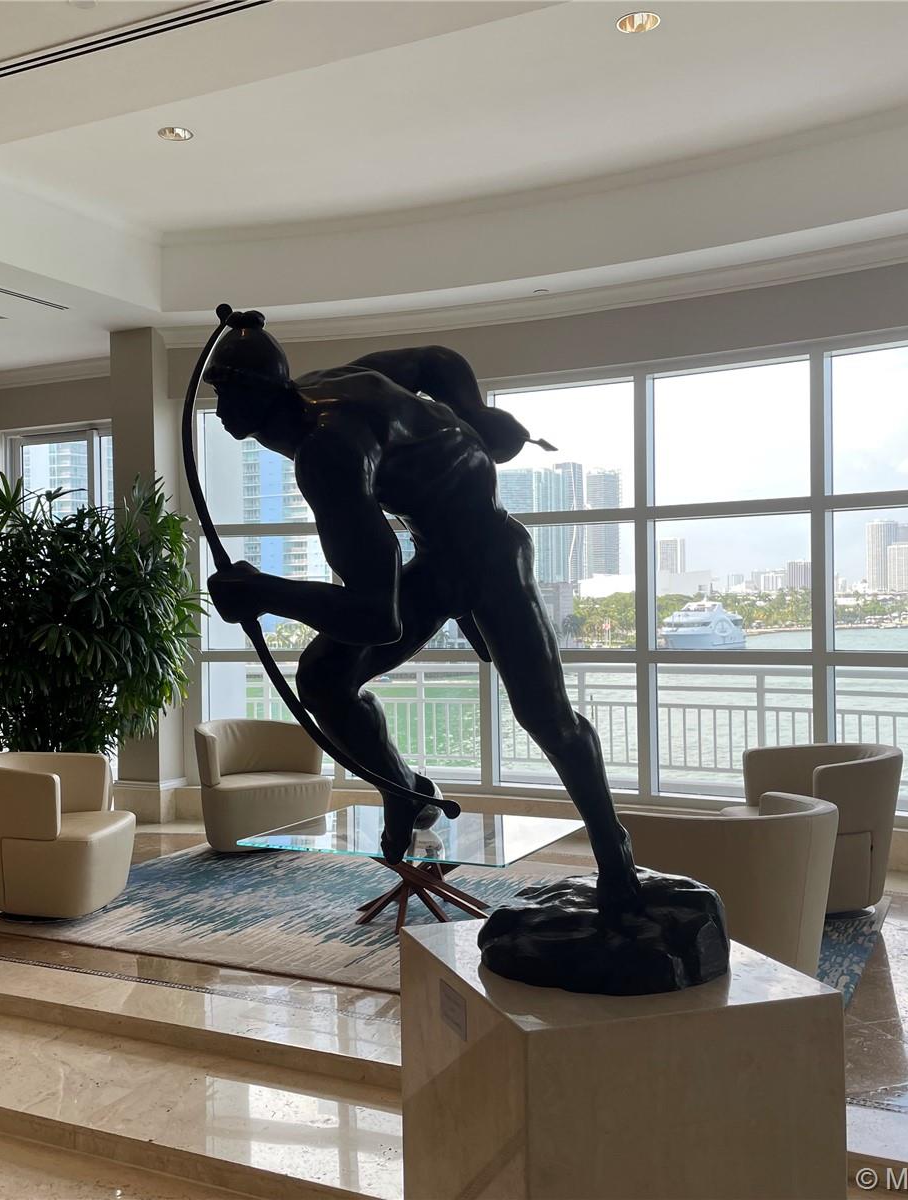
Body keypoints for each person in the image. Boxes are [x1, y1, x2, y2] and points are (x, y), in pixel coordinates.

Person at [203, 310, 642, 909]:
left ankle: (615, 856)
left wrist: (265, 592)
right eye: (218, 391)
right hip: (438, 559)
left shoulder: (329, 450)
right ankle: (406, 791)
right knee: (325, 677)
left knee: (548, 718)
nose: (221, 409)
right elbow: (436, 361)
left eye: (231, 392)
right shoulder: (331, 384)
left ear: (267, 391)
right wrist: (473, 408)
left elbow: (374, 616)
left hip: (492, 556)